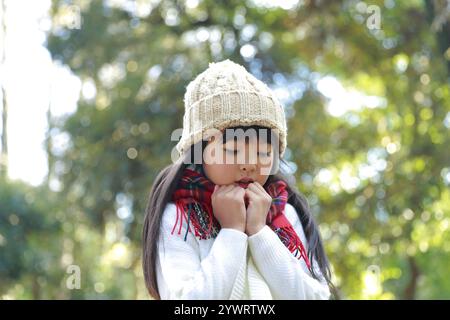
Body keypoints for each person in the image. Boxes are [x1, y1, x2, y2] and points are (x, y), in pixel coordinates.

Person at [142, 59, 334, 300]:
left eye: (264, 153)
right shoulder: (179, 218)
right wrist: (232, 232)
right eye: (233, 150)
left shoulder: (287, 213)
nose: (249, 164)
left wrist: (259, 231)